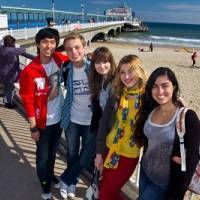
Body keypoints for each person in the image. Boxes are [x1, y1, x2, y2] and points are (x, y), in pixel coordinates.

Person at [135, 67, 200, 200]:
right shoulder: (151, 109)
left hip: (165, 182)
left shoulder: (187, 117)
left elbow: (193, 158)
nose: (160, 92)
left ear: (174, 87)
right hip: (145, 171)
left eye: (165, 86)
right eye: (155, 86)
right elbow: (147, 140)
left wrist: (177, 195)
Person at [19, 28, 68, 200]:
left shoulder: (59, 59)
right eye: (45, 42)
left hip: (58, 119)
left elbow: (76, 58)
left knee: (53, 153)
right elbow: (27, 100)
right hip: (41, 122)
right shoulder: (29, 71)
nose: (49, 45)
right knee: (42, 157)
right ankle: (45, 184)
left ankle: (51, 175)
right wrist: (33, 127)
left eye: (53, 42)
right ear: (38, 44)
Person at [95, 55, 147, 200]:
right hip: (109, 148)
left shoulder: (148, 98)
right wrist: (99, 154)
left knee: (105, 194)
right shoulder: (117, 93)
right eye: (122, 72)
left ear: (139, 71)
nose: (126, 76)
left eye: (130, 71)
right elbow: (104, 123)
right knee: (108, 189)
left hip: (129, 155)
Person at [59, 32, 94, 199]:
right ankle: (72, 182)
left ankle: (67, 178)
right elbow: (54, 82)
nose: (74, 52)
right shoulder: (65, 68)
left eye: (77, 47)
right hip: (72, 118)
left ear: (84, 47)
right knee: (72, 153)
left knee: (87, 155)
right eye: (69, 49)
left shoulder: (94, 67)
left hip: (90, 121)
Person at [0, 35, 32, 108]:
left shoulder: (2, 49)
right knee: (11, 88)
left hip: (2, 73)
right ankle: (9, 103)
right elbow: (23, 50)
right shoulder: (12, 50)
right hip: (10, 73)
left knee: (5, 87)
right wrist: (17, 46)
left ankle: (6, 100)